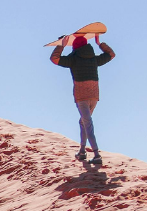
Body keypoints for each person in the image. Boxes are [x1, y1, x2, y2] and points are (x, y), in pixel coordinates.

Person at [49, 23, 114, 165]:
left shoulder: (73, 59)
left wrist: (61, 45)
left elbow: (54, 59)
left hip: (81, 96)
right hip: (94, 95)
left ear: (75, 47)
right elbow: (111, 55)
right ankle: (82, 151)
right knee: (83, 122)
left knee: (87, 123)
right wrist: (99, 43)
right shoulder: (93, 59)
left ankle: (96, 155)